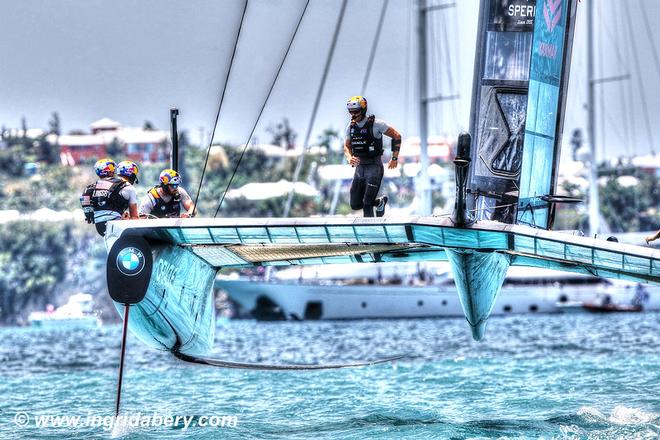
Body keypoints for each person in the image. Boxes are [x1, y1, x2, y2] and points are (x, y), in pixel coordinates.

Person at [344, 95, 402, 217]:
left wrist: (394, 158)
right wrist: (349, 158)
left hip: (374, 167)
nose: (353, 115)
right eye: (350, 112)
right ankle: (379, 202)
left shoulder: (377, 124)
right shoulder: (351, 127)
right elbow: (346, 146)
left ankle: (369, 233)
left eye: (356, 111)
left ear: (363, 110)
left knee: (367, 203)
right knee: (355, 204)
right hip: (360, 168)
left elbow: (397, 136)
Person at [90, 160, 140, 236]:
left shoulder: (104, 183)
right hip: (116, 226)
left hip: (99, 226)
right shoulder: (129, 188)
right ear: (132, 175)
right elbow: (135, 218)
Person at [80, 158, 115, 224]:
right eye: (111, 167)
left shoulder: (89, 188)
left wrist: (90, 215)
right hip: (114, 220)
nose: (113, 170)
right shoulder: (117, 184)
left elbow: (84, 200)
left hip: (98, 222)